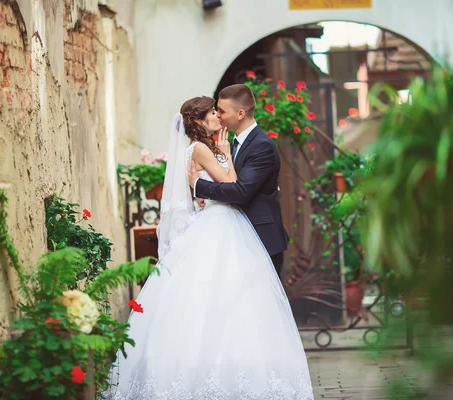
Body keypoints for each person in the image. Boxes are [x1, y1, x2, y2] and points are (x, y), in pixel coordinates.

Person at [106, 96, 313, 400]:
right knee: (217, 299)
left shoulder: (212, 147)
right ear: (201, 121)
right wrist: (224, 159)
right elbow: (232, 183)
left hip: (225, 221)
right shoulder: (202, 148)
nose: (217, 115)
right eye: (212, 112)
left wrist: (208, 176)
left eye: (220, 110)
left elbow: (227, 186)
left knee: (233, 302)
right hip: (220, 223)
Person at [189, 84, 289, 276]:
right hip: (237, 237)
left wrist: (199, 185)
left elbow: (241, 192)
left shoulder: (262, 146)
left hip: (261, 239)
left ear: (241, 113)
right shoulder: (232, 144)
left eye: (221, 111)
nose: (217, 115)